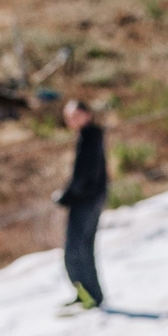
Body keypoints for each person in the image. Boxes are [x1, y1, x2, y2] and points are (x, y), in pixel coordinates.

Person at [55, 97, 109, 312]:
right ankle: (85, 293)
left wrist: (67, 196)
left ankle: (90, 294)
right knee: (79, 247)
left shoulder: (91, 136)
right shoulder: (88, 136)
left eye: (75, 115)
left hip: (86, 202)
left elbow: (85, 176)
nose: (71, 120)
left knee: (76, 248)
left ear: (86, 114)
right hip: (88, 200)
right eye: (68, 117)